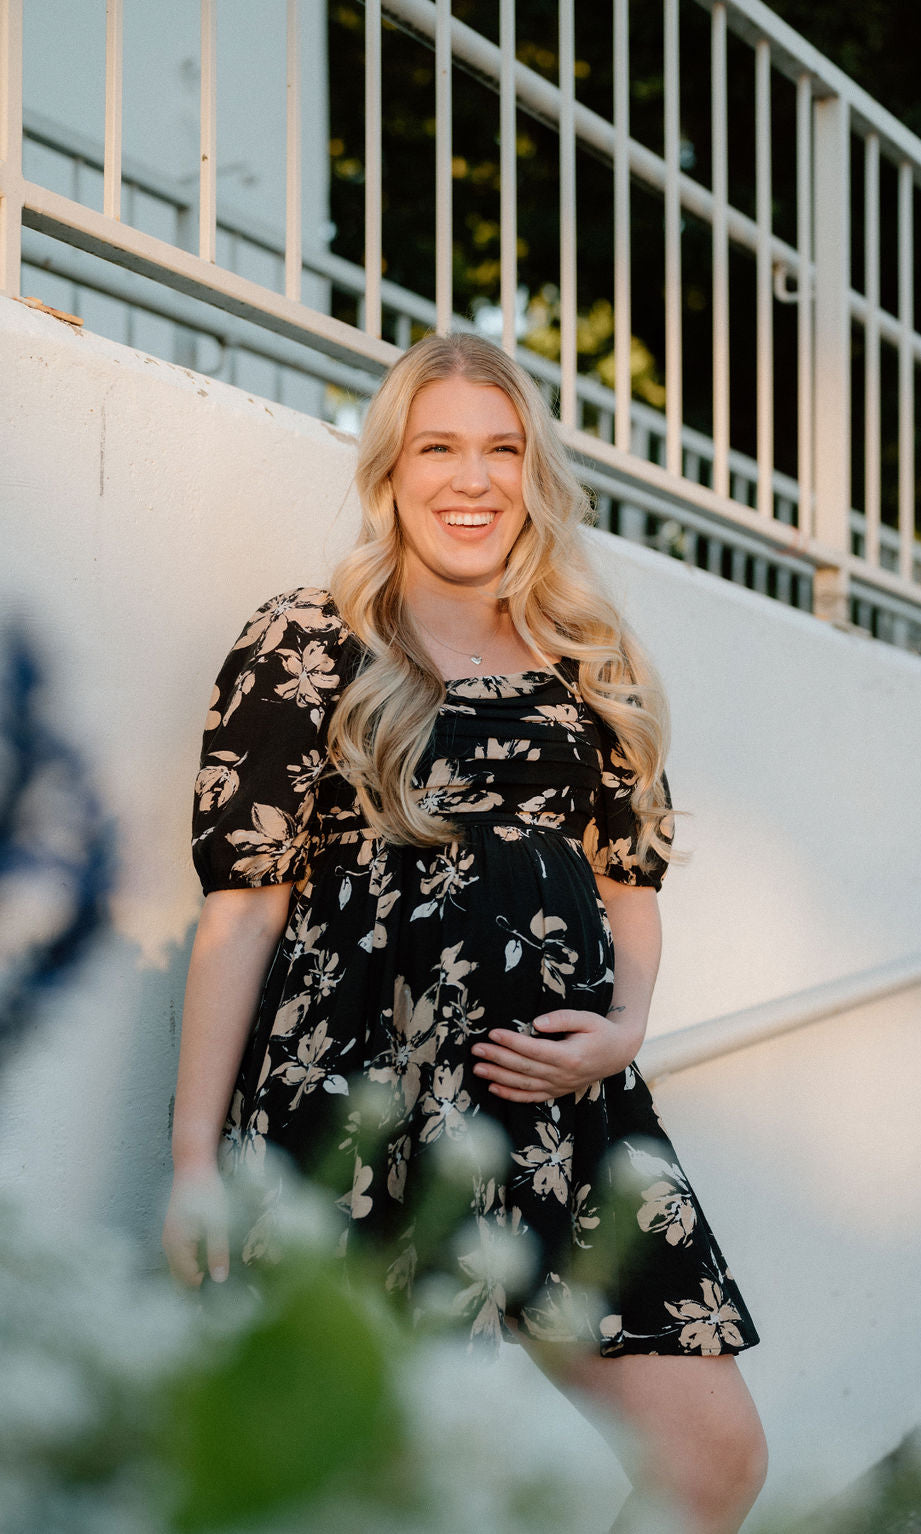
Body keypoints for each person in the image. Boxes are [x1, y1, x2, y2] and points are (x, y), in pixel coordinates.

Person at [163, 332, 767, 1533]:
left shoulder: (591, 663)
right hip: (353, 1108)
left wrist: (621, 1032)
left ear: (535, 473)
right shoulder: (306, 639)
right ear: (391, 470)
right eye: (439, 447)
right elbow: (242, 907)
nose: (472, 479)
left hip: (562, 1115)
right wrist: (190, 1162)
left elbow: (629, 885)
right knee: (370, 1490)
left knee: (710, 1459)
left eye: (502, 450)